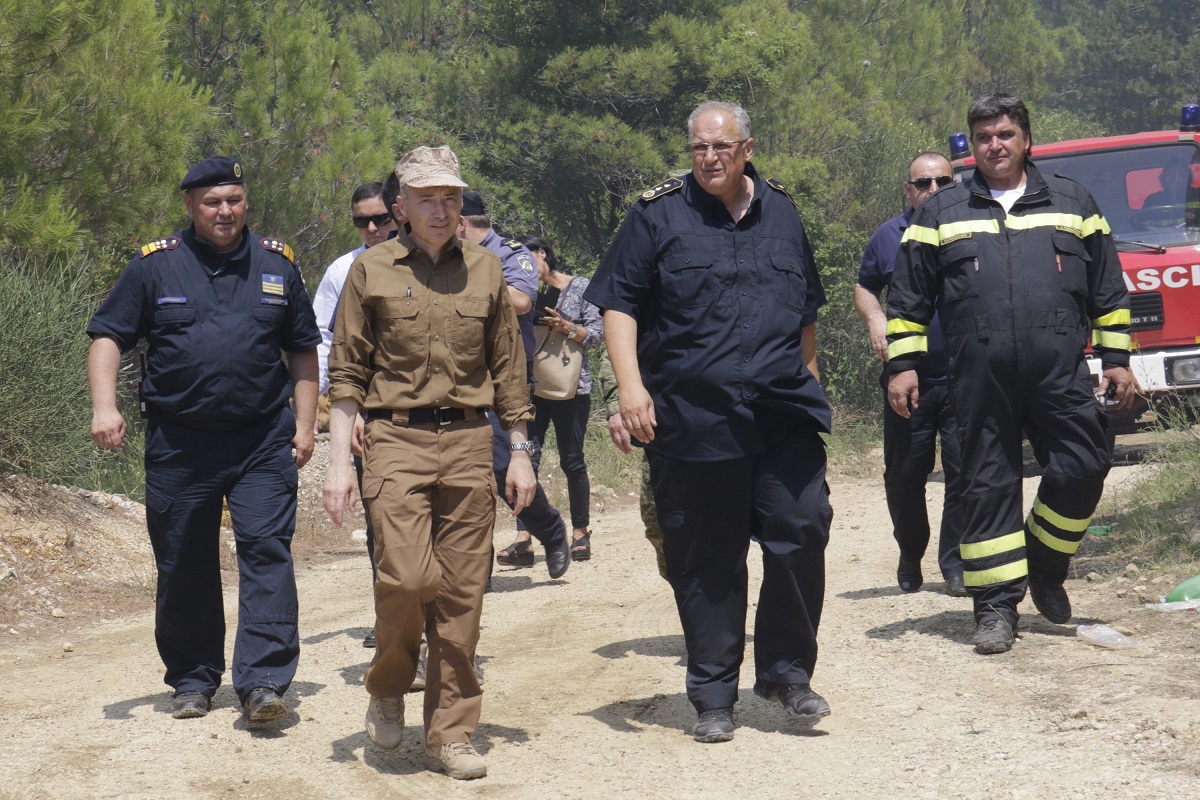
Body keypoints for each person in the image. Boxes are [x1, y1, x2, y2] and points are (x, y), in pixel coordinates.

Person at [586, 101, 833, 743]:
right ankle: (714, 695)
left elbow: (806, 309)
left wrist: (809, 378)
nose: (709, 158)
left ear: (748, 148)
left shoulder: (783, 212)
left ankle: (787, 675)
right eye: (699, 148)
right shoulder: (655, 215)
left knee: (802, 529)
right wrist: (631, 389)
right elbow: (619, 306)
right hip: (694, 418)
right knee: (707, 559)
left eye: (722, 147)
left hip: (782, 412)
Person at [886, 93, 1137, 656]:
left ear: (1026, 139)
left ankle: (1045, 565)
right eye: (983, 137)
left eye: (1004, 134)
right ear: (971, 146)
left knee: (1087, 461)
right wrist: (902, 366)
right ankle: (996, 608)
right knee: (986, 485)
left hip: (1060, 371)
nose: (994, 145)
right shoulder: (940, 211)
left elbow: (1107, 287)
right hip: (978, 376)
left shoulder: (1074, 202)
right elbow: (905, 299)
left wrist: (1117, 359)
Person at [322, 145, 537, 780]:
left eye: (449, 198)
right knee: (409, 579)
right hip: (394, 439)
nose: (440, 210)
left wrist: (520, 452)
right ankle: (389, 684)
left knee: (464, 592)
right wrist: (338, 463)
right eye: (426, 199)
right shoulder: (372, 270)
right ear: (401, 207)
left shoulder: (488, 270)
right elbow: (346, 373)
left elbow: (509, 369)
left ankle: (451, 734)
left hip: (471, 441)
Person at [87, 155, 320, 723]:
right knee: (183, 559)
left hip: (262, 439)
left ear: (246, 203)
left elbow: (303, 351)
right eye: (213, 202)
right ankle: (193, 678)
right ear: (190, 205)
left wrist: (307, 426)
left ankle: (263, 681)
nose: (225, 211)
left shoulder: (277, 265)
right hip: (180, 443)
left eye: (234, 200)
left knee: (266, 551)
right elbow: (108, 335)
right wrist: (104, 406)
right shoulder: (154, 267)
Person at [855, 152, 966, 597]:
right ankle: (909, 553)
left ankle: (955, 564)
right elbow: (865, 286)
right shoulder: (888, 236)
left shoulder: (970, 227)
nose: (933, 190)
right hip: (907, 377)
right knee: (904, 475)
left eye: (943, 181)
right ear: (909, 190)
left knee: (964, 473)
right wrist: (875, 317)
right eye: (923, 183)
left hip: (964, 378)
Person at [455, 193, 571, 577]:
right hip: (458, 373)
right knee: (463, 474)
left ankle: (551, 531)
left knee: (504, 463)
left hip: (504, 374)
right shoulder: (444, 254)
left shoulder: (509, 252)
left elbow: (522, 300)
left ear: (462, 221)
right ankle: (477, 565)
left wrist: (460, 290)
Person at [312, 181, 400, 649]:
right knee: (381, 516)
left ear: (398, 213)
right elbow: (324, 342)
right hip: (369, 414)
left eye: (379, 218)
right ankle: (388, 614)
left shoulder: (432, 262)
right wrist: (341, 409)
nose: (370, 228)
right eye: (360, 221)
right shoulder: (342, 271)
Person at [505, 235, 603, 560]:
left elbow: (597, 335)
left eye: (527, 260)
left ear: (543, 254)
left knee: (572, 461)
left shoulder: (581, 287)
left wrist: (566, 327)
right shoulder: (520, 292)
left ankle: (580, 533)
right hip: (531, 388)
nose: (521, 268)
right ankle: (524, 537)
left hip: (571, 387)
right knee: (524, 460)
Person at [594, 354, 667, 580]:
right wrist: (616, 406)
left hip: (733, 433)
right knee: (659, 525)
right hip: (666, 431)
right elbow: (615, 353)